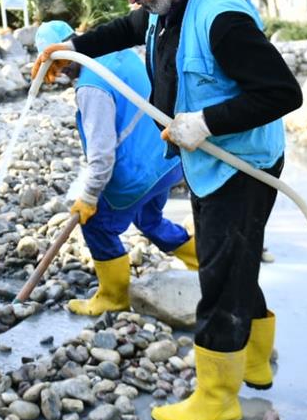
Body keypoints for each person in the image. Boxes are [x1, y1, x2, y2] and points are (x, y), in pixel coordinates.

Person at [31, 0, 302, 420]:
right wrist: (72, 47)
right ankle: (257, 362)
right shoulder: (168, 4)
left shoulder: (222, 19)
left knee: (219, 276)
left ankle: (218, 395)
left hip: (241, 163)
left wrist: (206, 122)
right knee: (233, 262)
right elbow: (128, 28)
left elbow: (283, 93)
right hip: (206, 158)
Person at [34, 20, 198, 316]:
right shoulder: (118, 54)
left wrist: (89, 197)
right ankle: (201, 261)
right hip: (166, 160)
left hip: (137, 174)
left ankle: (113, 297)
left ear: (67, 49)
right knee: (149, 219)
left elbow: (102, 154)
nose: (60, 72)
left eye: (58, 63)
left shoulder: (90, 88)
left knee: (96, 225)